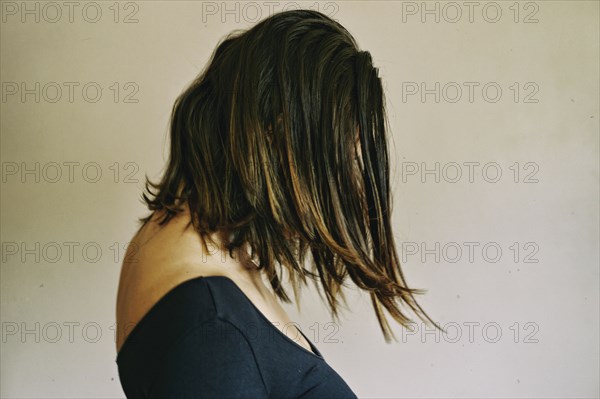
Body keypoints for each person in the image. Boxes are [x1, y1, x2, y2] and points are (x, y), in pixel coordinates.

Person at [115, 9, 444, 398]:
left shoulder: (205, 258)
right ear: (278, 135)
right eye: (346, 156)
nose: (351, 184)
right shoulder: (212, 322)